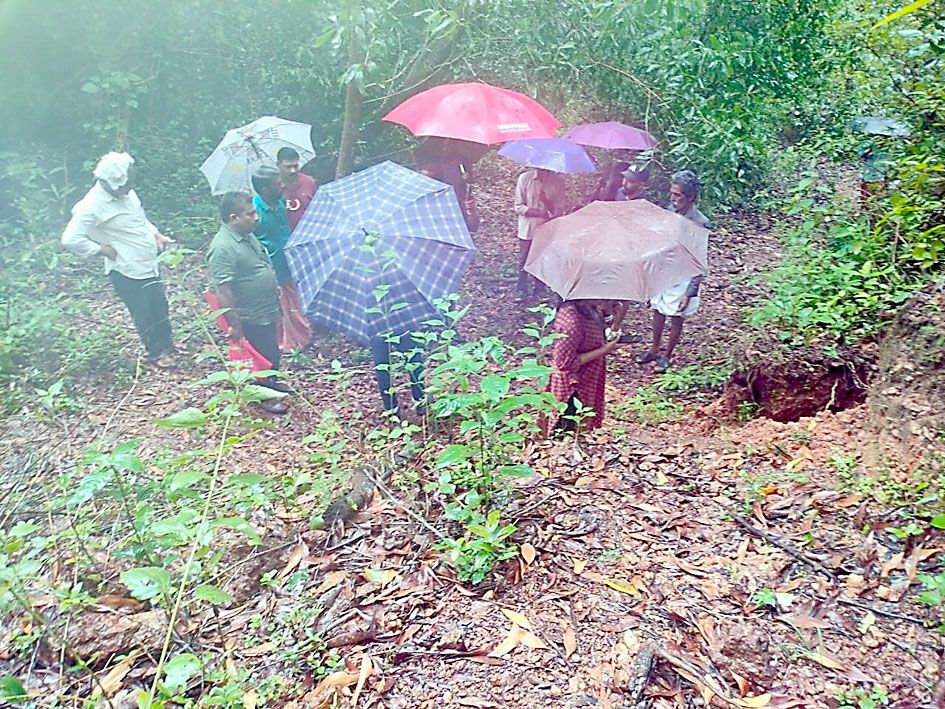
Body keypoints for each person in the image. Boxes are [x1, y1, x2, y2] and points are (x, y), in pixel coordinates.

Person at [61, 152, 176, 368]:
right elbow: (70, 238)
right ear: (111, 181)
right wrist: (100, 250)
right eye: (127, 183)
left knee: (159, 306)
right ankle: (156, 352)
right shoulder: (91, 206)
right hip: (126, 270)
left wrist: (156, 234)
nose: (130, 187)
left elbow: (139, 219)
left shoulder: (127, 195)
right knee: (142, 312)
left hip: (147, 263)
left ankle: (168, 345)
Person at [206, 192, 288, 415]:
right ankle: (262, 395)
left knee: (271, 349)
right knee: (257, 355)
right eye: (250, 214)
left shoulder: (247, 235)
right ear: (234, 218)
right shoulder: (222, 247)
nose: (256, 217)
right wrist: (234, 323)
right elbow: (223, 289)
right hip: (248, 313)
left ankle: (272, 383)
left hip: (265, 307)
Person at [637, 170, 711, 373]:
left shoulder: (699, 222)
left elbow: (699, 259)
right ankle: (654, 348)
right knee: (658, 309)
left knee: (677, 315)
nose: (673, 198)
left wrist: (690, 292)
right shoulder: (670, 211)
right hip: (665, 268)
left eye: (678, 195)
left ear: (690, 197)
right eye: (672, 193)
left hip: (683, 274)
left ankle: (667, 355)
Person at [543, 299, 626, 436]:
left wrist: (611, 315)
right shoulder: (571, 322)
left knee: (581, 427)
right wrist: (605, 350)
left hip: (588, 378)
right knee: (566, 430)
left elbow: (596, 329)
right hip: (572, 387)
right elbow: (564, 363)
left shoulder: (589, 308)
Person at [251, 166, 312, 351]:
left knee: (294, 301)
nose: (283, 185)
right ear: (264, 189)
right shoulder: (255, 211)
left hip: (290, 261)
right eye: (277, 184)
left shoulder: (279, 202)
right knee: (281, 306)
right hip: (272, 267)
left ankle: (300, 339)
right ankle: (287, 343)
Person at [513, 167, 565, 298]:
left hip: (546, 228)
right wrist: (538, 212)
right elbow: (518, 206)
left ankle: (539, 288)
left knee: (542, 259)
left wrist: (546, 201)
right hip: (528, 227)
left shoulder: (557, 182)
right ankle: (521, 287)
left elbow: (559, 209)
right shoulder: (525, 178)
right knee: (524, 258)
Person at [370, 332, 425, 416]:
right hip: (400, 324)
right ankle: (420, 399)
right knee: (414, 358)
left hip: (376, 331)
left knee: (382, 368)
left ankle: (391, 408)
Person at [276, 147, 318, 231]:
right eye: (288, 167)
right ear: (278, 165)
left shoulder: (309, 182)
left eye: (295, 166)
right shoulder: (275, 187)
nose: (293, 171)